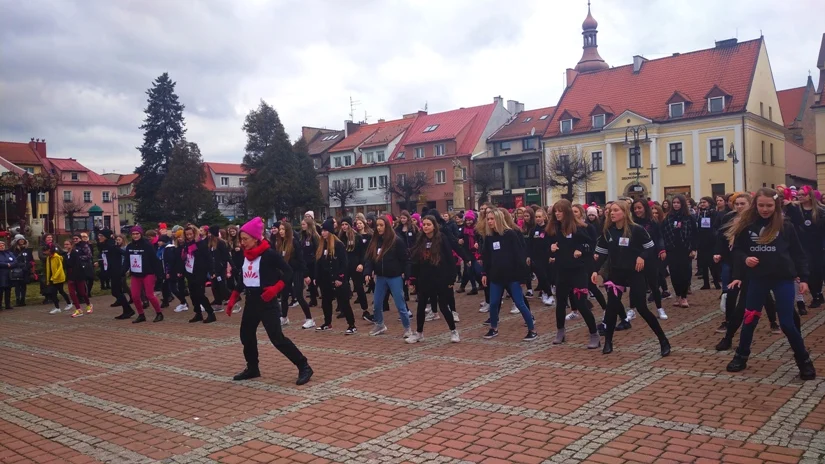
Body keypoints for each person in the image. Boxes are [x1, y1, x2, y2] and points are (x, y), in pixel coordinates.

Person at [725, 188, 815, 380]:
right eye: (761, 205)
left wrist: (804, 278)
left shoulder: (786, 226)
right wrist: (745, 259)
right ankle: (741, 355)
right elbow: (737, 250)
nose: (765, 209)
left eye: (769, 206)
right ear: (755, 205)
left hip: (782, 278)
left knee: (787, 323)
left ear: (776, 206)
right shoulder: (747, 225)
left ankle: (804, 361)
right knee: (750, 318)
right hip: (757, 278)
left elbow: (799, 254)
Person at [225, 217, 313, 385]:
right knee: (246, 335)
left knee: (277, 338)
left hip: (267, 302)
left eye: (245, 239)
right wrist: (233, 298)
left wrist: (275, 289)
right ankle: (252, 367)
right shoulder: (246, 255)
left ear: (256, 238)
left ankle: (304, 365)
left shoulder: (269, 254)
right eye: (241, 239)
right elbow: (243, 278)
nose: (242, 243)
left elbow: (287, 272)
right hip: (251, 301)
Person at [593, 201, 671, 356]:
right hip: (616, 274)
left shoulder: (636, 230)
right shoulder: (608, 231)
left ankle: (663, 340)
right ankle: (608, 341)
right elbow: (601, 254)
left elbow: (650, 247)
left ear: (624, 212)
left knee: (641, 307)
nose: (611, 213)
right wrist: (596, 271)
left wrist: (642, 257)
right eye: (610, 211)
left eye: (615, 210)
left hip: (635, 273)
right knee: (612, 307)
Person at [547, 200, 599, 348]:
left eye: (560, 211)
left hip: (578, 270)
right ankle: (560, 331)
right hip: (561, 270)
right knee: (560, 303)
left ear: (567, 212)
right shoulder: (554, 228)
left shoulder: (579, 228)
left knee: (581, 304)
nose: (557, 213)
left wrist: (581, 250)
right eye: (555, 211)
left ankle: (594, 334)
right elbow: (547, 246)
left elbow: (591, 245)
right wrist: (551, 248)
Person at [407, 215, 467, 343]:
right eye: (424, 224)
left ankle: (453, 331)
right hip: (424, 278)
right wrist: (412, 279)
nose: (426, 227)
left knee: (443, 306)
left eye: (429, 224)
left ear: (434, 225)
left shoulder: (442, 239)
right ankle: (419, 333)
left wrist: (451, 278)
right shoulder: (420, 240)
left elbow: (450, 259)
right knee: (421, 305)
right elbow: (415, 260)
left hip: (440, 278)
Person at [480, 208, 537, 341]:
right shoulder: (489, 237)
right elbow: (487, 257)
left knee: (519, 303)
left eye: (492, 219)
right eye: (488, 219)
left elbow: (519, 256)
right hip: (496, 276)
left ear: (499, 219)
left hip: (512, 276)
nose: (489, 221)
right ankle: (493, 328)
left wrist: (524, 276)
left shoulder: (510, 234)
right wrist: (484, 273)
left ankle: (532, 329)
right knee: (493, 303)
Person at [364, 216, 413, 338]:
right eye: (378, 225)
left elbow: (405, 260)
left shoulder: (396, 241)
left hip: (394, 277)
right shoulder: (374, 241)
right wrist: (367, 272)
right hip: (380, 277)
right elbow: (369, 259)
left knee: (400, 304)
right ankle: (380, 324)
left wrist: (407, 276)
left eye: (382, 225)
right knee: (377, 304)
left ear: (387, 226)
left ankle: (408, 328)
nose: (379, 228)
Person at [311, 218, 356, 333]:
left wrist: (340, 278)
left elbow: (344, 263)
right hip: (325, 279)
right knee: (326, 302)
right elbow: (318, 263)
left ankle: (352, 325)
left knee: (344, 302)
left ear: (330, 231)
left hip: (337, 278)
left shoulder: (338, 245)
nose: (323, 233)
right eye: (322, 231)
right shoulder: (321, 245)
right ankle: (327, 323)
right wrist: (316, 277)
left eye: (325, 231)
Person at [631, 200, 668, 320]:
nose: (637, 210)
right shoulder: (631, 222)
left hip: (651, 256)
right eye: (635, 208)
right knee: (634, 284)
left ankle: (659, 308)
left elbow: (659, 237)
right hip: (636, 256)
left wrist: (661, 249)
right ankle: (632, 309)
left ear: (645, 208)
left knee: (654, 284)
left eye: (639, 208)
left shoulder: (653, 222)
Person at [661, 194, 697, 308]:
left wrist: (694, 248)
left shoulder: (689, 217)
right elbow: (663, 233)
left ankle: (684, 296)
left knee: (685, 273)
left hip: (685, 249)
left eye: (678, 203)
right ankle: (677, 296)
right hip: (672, 249)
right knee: (674, 273)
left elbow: (695, 233)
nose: (676, 205)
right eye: (674, 203)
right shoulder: (668, 217)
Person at [276, 221, 314, 328]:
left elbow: (301, 259)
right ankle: (284, 317)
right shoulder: (280, 242)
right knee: (284, 295)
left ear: (288, 230)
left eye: (283, 229)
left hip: (297, 271)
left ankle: (309, 319)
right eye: (280, 229)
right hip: (286, 272)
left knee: (299, 295)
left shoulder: (294, 242)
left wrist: (306, 275)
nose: (281, 231)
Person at [126, 226, 164, 323]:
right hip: (135, 274)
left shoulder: (147, 245)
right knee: (134, 296)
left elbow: (154, 260)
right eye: (133, 234)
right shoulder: (129, 246)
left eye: (137, 234)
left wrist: (159, 274)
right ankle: (141, 314)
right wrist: (122, 272)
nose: (135, 236)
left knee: (149, 295)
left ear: (141, 234)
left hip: (148, 273)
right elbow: (126, 261)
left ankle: (159, 313)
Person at [181, 225, 216, 323]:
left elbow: (208, 258)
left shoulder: (201, 244)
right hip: (189, 271)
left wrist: (212, 271)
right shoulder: (185, 244)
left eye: (190, 234)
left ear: (194, 233)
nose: (189, 236)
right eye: (187, 234)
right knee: (192, 294)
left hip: (200, 271)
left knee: (200, 294)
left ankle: (210, 313)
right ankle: (198, 313)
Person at [97, 229, 134, 319]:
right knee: (116, 292)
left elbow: (125, 254)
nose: (99, 238)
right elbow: (106, 258)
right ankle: (128, 310)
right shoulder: (104, 245)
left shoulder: (112, 246)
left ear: (106, 236)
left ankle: (128, 310)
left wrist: (124, 267)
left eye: (101, 236)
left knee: (116, 291)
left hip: (116, 271)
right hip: (110, 271)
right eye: (99, 236)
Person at [696, 196, 721, 290]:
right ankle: (706, 283)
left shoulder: (714, 213)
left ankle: (716, 281)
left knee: (712, 263)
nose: (702, 204)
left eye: (704, 202)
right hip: (702, 241)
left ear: (709, 203)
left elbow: (716, 225)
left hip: (712, 241)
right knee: (703, 263)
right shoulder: (699, 214)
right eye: (701, 202)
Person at [67, 233, 94, 317]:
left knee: (82, 292)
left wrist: (79, 258)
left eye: (77, 238)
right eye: (74, 239)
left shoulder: (83, 247)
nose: (75, 240)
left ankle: (89, 304)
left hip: (80, 271)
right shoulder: (69, 251)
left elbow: (89, 255)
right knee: (71, 292)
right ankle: (78, 309)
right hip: (71, 274)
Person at [42, 245, 67, 314]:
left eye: (45, 250)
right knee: (53, 293)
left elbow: (60, 268)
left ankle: (68, 303)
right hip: (52, 278)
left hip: (57, 278)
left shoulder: (56, 257)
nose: (44, 252)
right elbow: (48, 269)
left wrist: (54, 277)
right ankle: (57, 307)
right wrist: (48, 279)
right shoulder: (48, 258)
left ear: (49, 250)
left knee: (61, 291)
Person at [11, 234, 34, 307]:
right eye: (19, 239)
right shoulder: (13, 250)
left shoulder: (28, 250)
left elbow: (31, 260)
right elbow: (12, 259)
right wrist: (19, 265)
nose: (21, 241)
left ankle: (23, 300)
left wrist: (28, 266)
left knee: (24, 286)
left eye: (22, 239)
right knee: (17, 286)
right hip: (17, 270)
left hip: (25, 270)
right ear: (16, 241)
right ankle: (18, 300)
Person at [0, 240, 17, 309]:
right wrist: (7, 264)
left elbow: (15, 261)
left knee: (8, 289)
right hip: (1, 274)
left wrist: (11, 264)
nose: (2, 247)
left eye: (3, 245)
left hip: (9, 274)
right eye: (0, 245)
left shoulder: (9, 253)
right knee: (1, 290)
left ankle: (8, 304)